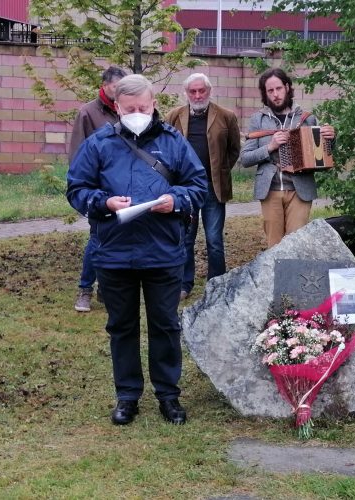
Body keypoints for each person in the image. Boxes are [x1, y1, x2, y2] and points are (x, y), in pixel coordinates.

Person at [66, 74, 208, 426]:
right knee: (122, 327)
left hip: (163, 252)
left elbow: (199, 186)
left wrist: (176, 201)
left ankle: (168, 396)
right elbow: (76, 189)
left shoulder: (173, 142)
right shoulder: (99, 144)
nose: (138, 113)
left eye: (143, 107)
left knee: (165, 326)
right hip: (115, 253)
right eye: (130, 109)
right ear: (117, 107)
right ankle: (127, 396)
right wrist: (104, 202)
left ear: (153, 103)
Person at [164, 73, 241, 299]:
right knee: (185, 237)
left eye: (201, 91)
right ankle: (183, 284)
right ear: (186, 93)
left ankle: (216, 283)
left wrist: (220, 171)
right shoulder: (174, 116)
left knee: (214, 239)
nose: (197, 95)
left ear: (209, 90)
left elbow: (234, 150)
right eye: (193, 91)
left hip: (212, 187)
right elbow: (166, 148)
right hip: (184, 188)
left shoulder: (226, 116)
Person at [240, 67, 335, 248]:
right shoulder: (258, 120)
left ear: (287, 87)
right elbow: (245, 159)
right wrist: (270, 146)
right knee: (274, 246)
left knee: (295, 245)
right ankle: (276, 277)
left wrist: (330, 140)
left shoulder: (307, 118)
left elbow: (322, 158)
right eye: (270, 91)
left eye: (278, 89)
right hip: (270, 190)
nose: (275, 94)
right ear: (265, 94)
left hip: (300, 190)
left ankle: (294, 277)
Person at [69, 66, 128, 312]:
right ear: (105, 85)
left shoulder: (125, 109)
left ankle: (106, 288)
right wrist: (83, 190)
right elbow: (77, 153)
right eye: (117, 88)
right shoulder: (88, 113)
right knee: (97, 238)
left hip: (122, 187)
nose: (120, 93)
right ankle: (85, 289)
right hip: (97, 191)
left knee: (117, 238)